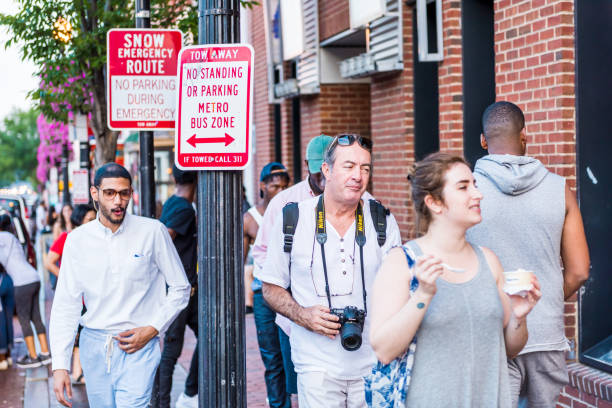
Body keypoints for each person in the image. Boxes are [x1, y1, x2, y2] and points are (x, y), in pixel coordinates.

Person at [369, 152, 542, 408]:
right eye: (463, 187)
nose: (477, 194)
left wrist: (519, 316)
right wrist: (423, 295)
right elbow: (383, 349)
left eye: (475, 185)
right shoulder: (402, 262)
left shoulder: (489, 261)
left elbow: (508, 349)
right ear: (434, 203)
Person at [257, 134, 402, 407]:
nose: (358, 175)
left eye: (365, 167)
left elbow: (399, 287)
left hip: (374, 364)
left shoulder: (382, 219)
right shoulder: (293, 218)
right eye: (348, 166)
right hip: (316, 366)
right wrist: (302, 315)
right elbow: (270, 287)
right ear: (326, 170)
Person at [466, 101, 590, 408]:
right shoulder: (559, 188)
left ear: (483, 140)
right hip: (545, 333)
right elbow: (579, 271)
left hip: (487, 335)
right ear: (525, 135)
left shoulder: (465, 190)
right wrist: (541, 299)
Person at [50, 163, 190, 408]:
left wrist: (153, 328)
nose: (118, 201)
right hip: (94, 346)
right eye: (110, 193)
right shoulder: (77, 241)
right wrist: (60, 365)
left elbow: (180, 287)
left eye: (124, 193)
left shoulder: (152, 232)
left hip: (139, 345)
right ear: (95, 194)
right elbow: (66, 305)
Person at [251, 135, 334, 407]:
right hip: (283, 303)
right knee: (280, 369)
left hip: (328, 306)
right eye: (317, 173)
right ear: (308, 168)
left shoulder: (352, 199)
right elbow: (261, 252)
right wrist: (283, 290)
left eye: (328, 171)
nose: (324, 181)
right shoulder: (285, 202)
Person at [151, 166, 199, 408]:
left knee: (207, 335)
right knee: (171, 350)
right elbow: (164, 239)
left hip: (185, 288)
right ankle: (162, 403)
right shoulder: (183, 209)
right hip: (180, 290)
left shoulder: (172, 202)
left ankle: (190, 392)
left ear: (173, 178)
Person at [44, 204, 96, 384]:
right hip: (77, 298)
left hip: (91, 297)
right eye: (89, 219)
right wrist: (68, 277)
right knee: (76, 333)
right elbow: (49, 261)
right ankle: (77, 372)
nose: (94, 223)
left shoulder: (96, 239)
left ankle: (78, 372)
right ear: (79, 220)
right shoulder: (68, 237)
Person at [0, 213, 52, 369]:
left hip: (21, 282)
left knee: (23, 319)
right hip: (34, 277)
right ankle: (45, 353)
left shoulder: (1, 238)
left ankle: (33, 356)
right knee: (36, 317)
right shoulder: (13, 238)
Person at [243, 162, 290, 314]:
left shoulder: (293, 213)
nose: (281, 192)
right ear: (263, 186)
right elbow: (240, 262)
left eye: (284, 187)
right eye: (275, 187)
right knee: (267, 338)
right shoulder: (249, 218)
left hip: (289, 287)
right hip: (261, 288)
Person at [0, 266, 15, 370]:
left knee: (1, 324)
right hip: (7, 279)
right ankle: (8, 356)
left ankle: (2, 359)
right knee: (7, 321)